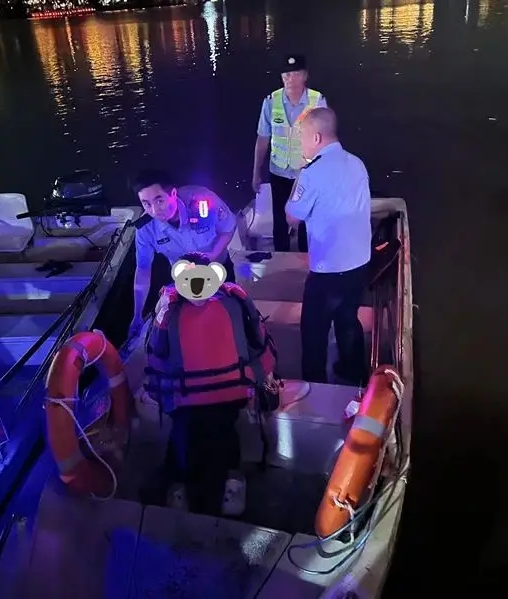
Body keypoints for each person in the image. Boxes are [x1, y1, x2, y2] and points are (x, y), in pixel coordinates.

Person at [143, 252, 279, 516]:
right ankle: (195, 480)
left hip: (224, 391)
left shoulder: (230, 303)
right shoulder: (171, 307)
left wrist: (266, 376)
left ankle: (220, 480)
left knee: (212, 429)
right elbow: (158, 351)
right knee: (190, 430)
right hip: (192, 395)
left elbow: (255, 342)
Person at [284, 107, 372, 387]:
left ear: (317, 137)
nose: (301, 144)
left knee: (314, 330)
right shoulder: (357, 163)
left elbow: (292, 216)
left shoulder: (312, 173)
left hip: (328, 270)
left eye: (302, 137)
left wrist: (299, 176)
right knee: (348, 319)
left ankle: (315, 385)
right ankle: (353, 375)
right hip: (359, 263)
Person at [130, 169, 237, 336]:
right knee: (190, 327)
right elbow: (143, 269)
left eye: (159, 201)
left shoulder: (203, 202)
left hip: (218, 268)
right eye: (146, 204)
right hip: (183, 278)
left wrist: (213, 255)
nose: (155, 211)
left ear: (173, 193)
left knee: (229, 319)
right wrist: (137, 315)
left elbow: (228, 229)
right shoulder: (145, 228)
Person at [252, 54, 327, 252]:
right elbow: (262, 138)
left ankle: (304, 259)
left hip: (306, 173)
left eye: (295, 73)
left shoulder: (317, 101)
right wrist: (256, 172)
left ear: (305, 76)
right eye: (286, 74)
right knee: (279, 220)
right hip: (278, 171)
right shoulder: (271, 101)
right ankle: (281, 258)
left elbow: (325, 142)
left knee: (305, 220)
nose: (290, 78)